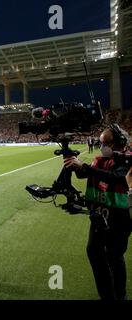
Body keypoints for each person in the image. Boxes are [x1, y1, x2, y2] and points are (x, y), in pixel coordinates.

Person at [64, 124, 131, 300]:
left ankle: (120, 296)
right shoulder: (99, 159)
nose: (102, 147)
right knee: (94, 252)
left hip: (119, 219)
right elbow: (84, 175)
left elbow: (117, 178)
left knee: (114, 256)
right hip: (99, 216)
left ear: (120, 142)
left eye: (106, 143)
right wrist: (73, 163)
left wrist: (84, 166)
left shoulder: (128, 159)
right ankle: (107, 295)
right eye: (100, 143)